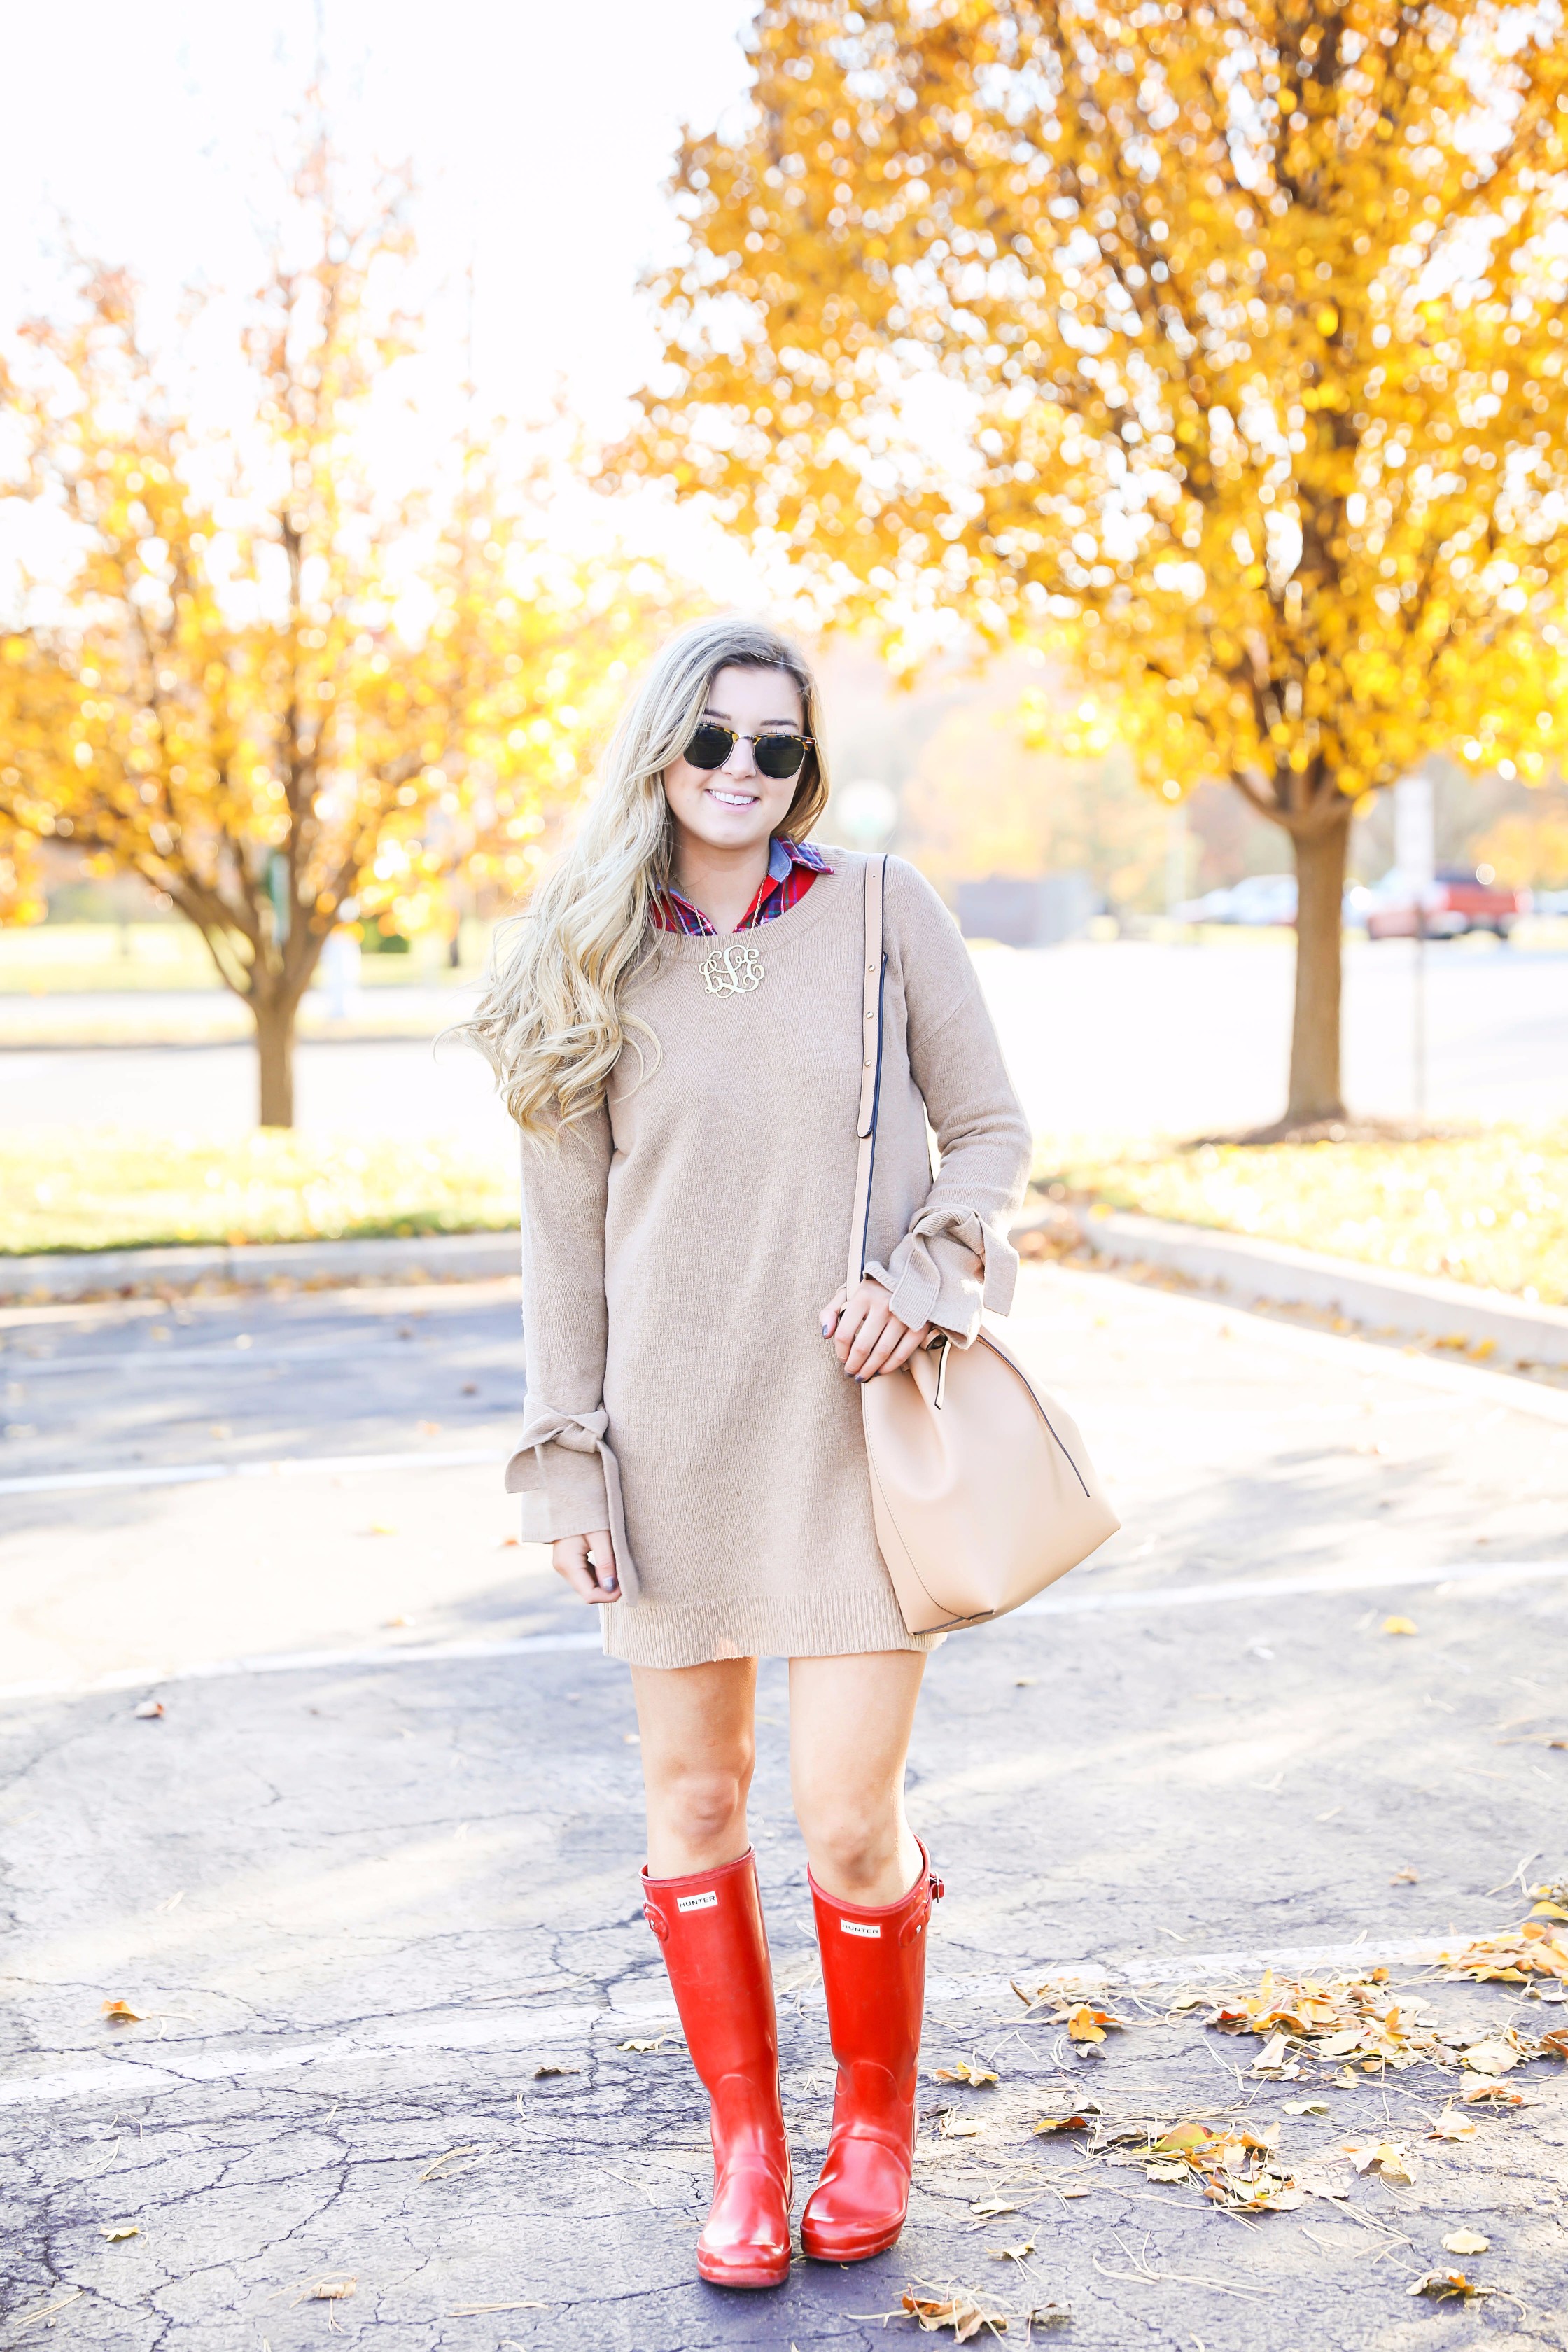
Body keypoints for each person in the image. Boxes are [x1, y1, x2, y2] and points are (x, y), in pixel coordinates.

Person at [463, 617, 1030, 2290]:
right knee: (695, 1797)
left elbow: (988, 1133)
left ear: (807, 768)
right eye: (710, 741)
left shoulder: (877, 914)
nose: (737, 772)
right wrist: (567, 1458)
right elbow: (560, 1244)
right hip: (670, 1438)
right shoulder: (585, 952)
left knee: (848, 1820)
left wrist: (921, 1281)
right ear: (659, 750)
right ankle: (746, 2145)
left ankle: (870, 2128)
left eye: (773, 748)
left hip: (853, 1431)